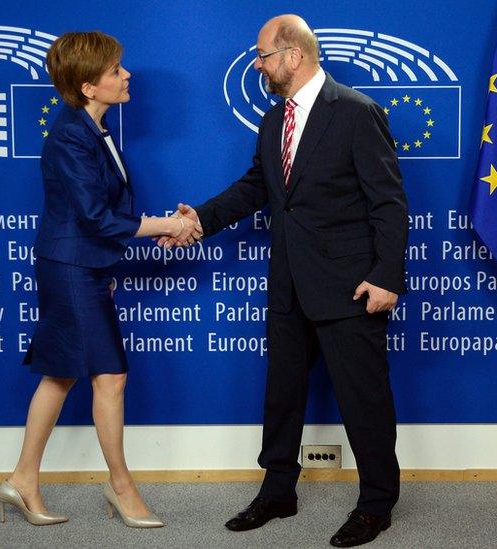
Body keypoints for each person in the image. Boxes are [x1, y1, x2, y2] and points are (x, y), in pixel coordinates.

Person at [165, 14, 408, 547]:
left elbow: (388, 203)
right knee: (282, 398)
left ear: (293, 55)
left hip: (349, 288)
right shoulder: (275, 120)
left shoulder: (356, 113)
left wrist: (387, 277)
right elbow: (258, 187)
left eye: (264, 56)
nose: (259, 65)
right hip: (288, 286)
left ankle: (376, 505)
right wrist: (198, 221)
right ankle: (278, 491)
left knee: (364, 400)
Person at [0, 31, 199, 528]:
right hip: (71, 269)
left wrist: (113, 259)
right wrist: (170, 225)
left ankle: (22, 480)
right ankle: (121, 486)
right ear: (89, 86)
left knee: (62, 374)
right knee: (109, 376)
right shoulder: (70, 134)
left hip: (82, 268)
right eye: (115, 71)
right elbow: (94, 216)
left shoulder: (91, 129)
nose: (126, 75)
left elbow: (101, 215)